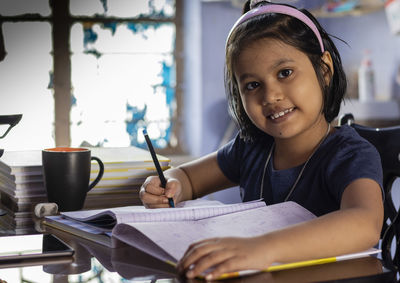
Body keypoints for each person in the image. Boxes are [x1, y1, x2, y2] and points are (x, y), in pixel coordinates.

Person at [139, 0, 384, 280]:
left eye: (285, 73)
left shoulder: (350, 154)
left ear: (324, 70)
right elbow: (188, 179)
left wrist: (262, 249)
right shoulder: (251, 149)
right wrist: (169, 186)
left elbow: (364, 224)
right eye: (253, 85)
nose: (270, 96)